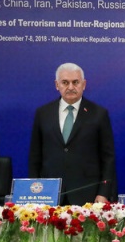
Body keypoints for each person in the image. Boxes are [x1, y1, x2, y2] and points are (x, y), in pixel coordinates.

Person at [28, 63, 116, 205]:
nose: (70, 87)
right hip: (49, 194)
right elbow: (35, 156)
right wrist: (33, 192)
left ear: (84, 84)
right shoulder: (43, 113)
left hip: (88, 194)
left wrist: (104, 193)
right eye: (65, 82)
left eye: (75, 82)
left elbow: (108, 158)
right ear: (57, 85)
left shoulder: (99, 114)